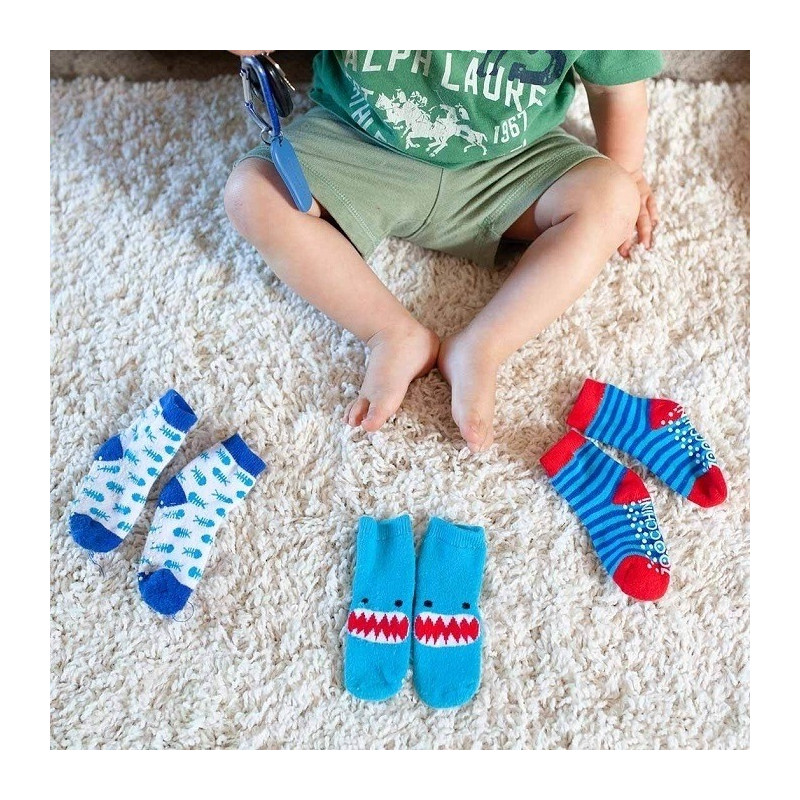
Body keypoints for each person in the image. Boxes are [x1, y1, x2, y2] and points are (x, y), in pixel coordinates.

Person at [225, 50, 661, 453]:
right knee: (253, 194)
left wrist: (629, 169)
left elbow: (615, 87)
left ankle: (483, 345)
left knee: (612, 198)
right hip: (361, 137)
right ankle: (391, 332)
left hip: (508, 163)